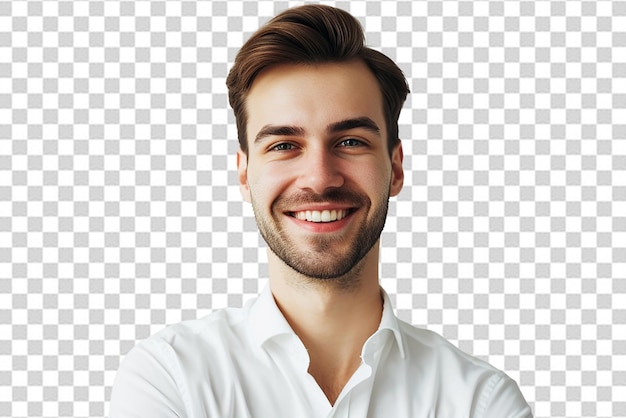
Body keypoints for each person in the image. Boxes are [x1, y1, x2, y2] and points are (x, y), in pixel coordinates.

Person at [109, 5, 533, 417]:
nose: (319, 178)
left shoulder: (481, 401)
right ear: (244, 175)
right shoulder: (169, 377)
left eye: (350, 141)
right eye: (283, 146)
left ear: (396, 168)